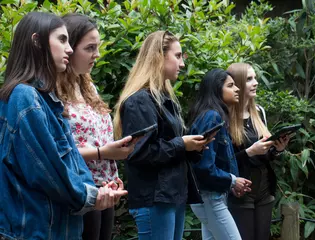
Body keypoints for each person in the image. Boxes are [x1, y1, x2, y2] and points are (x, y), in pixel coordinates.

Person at [0, 12, 126, 240]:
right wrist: (90, 196)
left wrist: (95, 191)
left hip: (61, 228)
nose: (69, 49)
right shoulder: (24, 97)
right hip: (35, 231)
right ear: (37, 41)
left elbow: (73, 163)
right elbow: (49, 170)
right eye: (62, 40)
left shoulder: (48, 100)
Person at [113, 30, 210, 240]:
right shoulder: (140, 101)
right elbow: (139, 152)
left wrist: (195, 146)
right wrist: (182, 144)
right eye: (177, 56)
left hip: (172, 196)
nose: (182, 64)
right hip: (154, 198)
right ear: (158, 55)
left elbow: (173, 147)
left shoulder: (167, 101)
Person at [56, 13, 134, 240]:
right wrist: (103, 153)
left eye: (97, 47)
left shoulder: (88, 85)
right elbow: (56, 150)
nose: (97, 54)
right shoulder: (52, 91)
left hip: (105, 188)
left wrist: (112, 163)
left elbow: (98, 138)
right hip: (79, 190)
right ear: (69, 47)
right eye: (89, 48)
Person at [187, 68, 252, 240]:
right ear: (217, 90)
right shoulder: (211, 117)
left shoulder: (214, 116)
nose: (237, 89)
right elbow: (204, 167)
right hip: (210, 197)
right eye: (231, 86)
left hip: (213, 195)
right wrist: (232, 180)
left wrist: (231, 184)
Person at [226, 63, 289, 240]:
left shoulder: (259, 111)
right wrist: (249, 152)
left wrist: (277, 150)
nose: (255, 83)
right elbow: (223, 160)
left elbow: (266, 155)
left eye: (255, 78)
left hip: (264, 187)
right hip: (241, 188)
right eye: (249, 79)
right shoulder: (225, 116)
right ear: (237, 83)